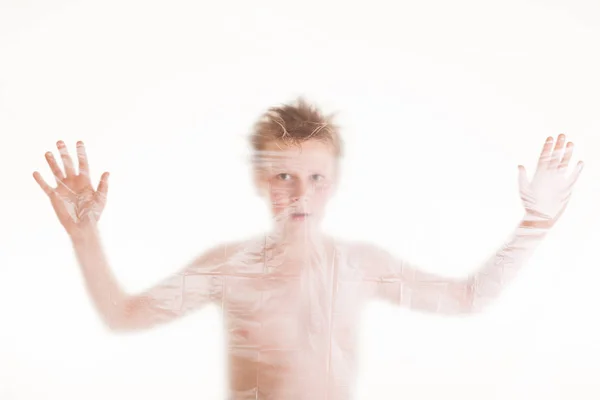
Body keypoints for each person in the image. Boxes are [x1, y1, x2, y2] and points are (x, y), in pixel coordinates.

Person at [33, 98, 584, 399]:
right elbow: (123, 315)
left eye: (316, 177)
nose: (300, 193)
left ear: (335, 181)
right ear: (259, 181)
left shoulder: (361, 267)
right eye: (283, 177)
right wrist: (83, 235)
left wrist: (536, 223)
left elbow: (466, 298)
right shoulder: (228, 269)